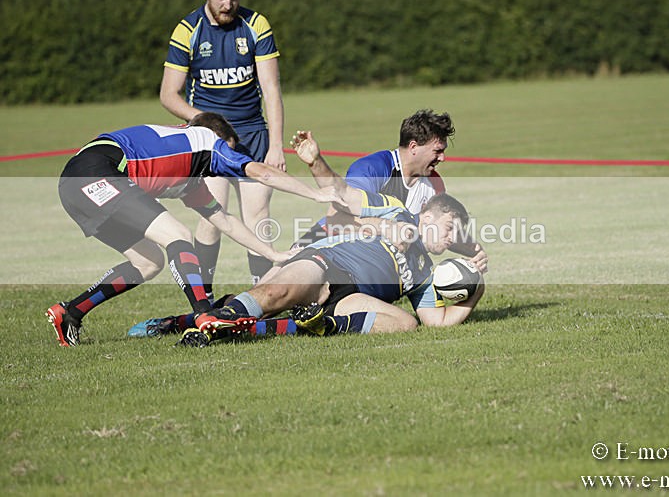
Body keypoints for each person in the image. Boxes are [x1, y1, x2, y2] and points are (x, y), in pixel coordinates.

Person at [47, 113, 340, 347]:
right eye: (228, 149)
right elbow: (261, 172)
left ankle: (70, 313)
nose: (226, 160)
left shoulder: (190, 175)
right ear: (219, 138)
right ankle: (204, 314)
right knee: (179, 236)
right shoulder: (206, 141)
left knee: (148, 262)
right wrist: (316, 194)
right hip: (99, 173)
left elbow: (224, 220)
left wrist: (273, 254)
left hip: (72, 186)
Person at [176, 130, 485, 346]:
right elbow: (343, 198)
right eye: (449, 229)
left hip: (349, 296)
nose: (450, 241)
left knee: (405, 324)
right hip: (327, 263)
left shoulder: (425, 273)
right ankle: (195, 321)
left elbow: (438, 323)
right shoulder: (396, 210)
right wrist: (316, 162)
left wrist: (475, 288)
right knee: (274, 295)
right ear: (428, 216)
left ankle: (323, 325)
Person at [160, 0, 285, 301]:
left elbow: (271, 89)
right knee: (212, 216)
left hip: (252, 136)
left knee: (258, 216)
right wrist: (209, 122)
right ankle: (205, 298)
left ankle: (265, 296)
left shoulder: (256, 25)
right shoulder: (188, 30)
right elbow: (168, 95)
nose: (228, 4)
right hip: (209, 139)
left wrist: (276, 145)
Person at [295, 109, 488, 273]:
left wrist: (473, 249)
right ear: (414, 147)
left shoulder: (435, 184)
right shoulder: (374, 168)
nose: (443, 158)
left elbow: (436, 231)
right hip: (321, 246)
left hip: (363, 264)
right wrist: (389, 228)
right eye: (437, 151)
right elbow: (338, 217)